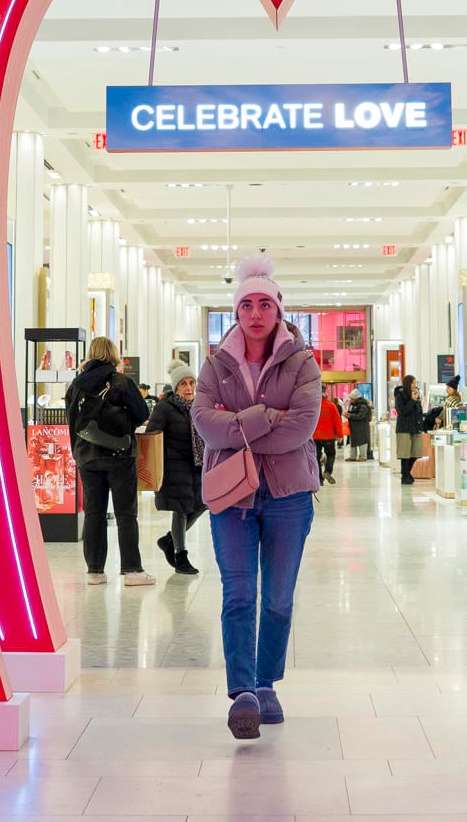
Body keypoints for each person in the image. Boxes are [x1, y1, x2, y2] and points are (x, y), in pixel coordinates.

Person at [195, 254, 321, 740]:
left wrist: (238, 426)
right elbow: (204, 422)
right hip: (231, 495)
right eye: (245, 304)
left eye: (264, 304)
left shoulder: (302, 362)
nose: (254, 313)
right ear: (235, 311)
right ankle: (243, 692)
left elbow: (301, 427)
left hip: (289, 494)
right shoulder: (214, 363)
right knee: (239, 593)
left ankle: (267, 682)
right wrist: (266, 415)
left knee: (278, 599)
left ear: (278, 310)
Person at [64, 336, 154, 586]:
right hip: (120, 454)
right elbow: (142, 413)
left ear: (91, 354)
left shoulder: (76, 385)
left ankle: (95, 571)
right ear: (113, 354)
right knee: (126, 512)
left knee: (94, 512)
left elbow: (72, 422)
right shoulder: (121, 381)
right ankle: (132, 570)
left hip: (87, 456)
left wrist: (78, 452)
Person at [147, 363, 204, 575]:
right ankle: (181, 556)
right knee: (180, 510)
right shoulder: (165, 407)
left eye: (191, 383)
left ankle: (168, 540)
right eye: (183, 384)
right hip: (174, 467)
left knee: (202, 504)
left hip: (197, 465)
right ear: (175, 387)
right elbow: (152, 435)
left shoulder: (199, 405)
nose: (188, 388)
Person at [393, 375, 425, 485]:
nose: (414, 385)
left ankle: (407, 472)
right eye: (412, 383)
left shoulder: (416, 395)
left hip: (415, 427)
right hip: (404, 428)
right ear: (407, 384)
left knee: (416, 452)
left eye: (415, 383)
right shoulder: (400, 396)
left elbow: (419, 411)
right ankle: (405, 475)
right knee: (405, 453)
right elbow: (403, 411)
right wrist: (412, 400)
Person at [312, 389, 343, 485]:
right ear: (325, 393)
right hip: (328, 436)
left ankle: (319, 479)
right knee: (330, 455)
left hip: (315, 436)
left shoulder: (313, 406)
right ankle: (327, 472)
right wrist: (339, 435)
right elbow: (337, 421)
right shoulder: (331, 405)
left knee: (316, 457)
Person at [345, 388, 373, 460]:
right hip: (354, 427)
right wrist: (349, 415)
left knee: (362, 442)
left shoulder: (363, 406)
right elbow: (352, 413)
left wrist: (350, 416)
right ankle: (353, 457)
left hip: (362, 427)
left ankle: (363, 456)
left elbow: (361, 416)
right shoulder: (352, 405)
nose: (351, 400)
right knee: (353, 442)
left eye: (352, 398)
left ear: (356, 398)